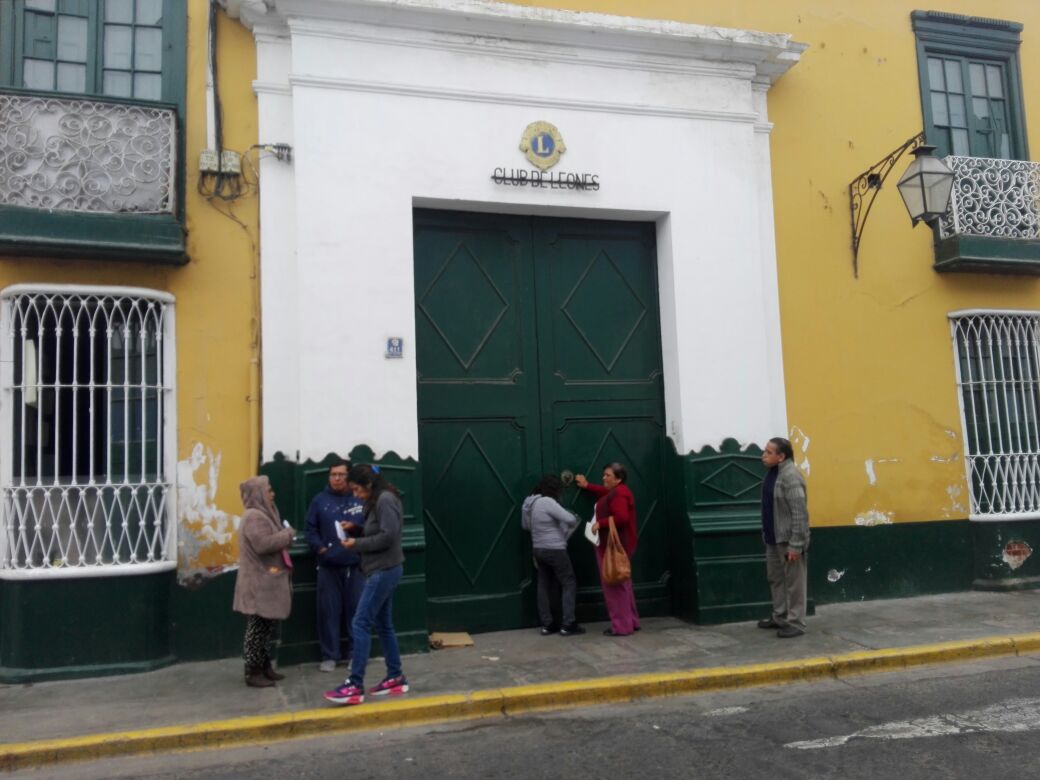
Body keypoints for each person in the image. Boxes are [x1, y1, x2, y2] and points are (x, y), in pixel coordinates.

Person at [324, 464, 409, 706]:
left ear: (369, 485)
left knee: (360, 623)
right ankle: (395, 676)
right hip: (382, 569)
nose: (355, 495)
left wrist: (356, 544)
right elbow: (380, 531)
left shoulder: (385, 500)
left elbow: (388, 536)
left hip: (384, 570)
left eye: (357, 489)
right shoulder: (379, 499)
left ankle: (354, 685)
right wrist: (358, 529)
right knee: (383, 625)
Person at [232, 475, 295, 688]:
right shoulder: (254, 517)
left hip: (267, 581)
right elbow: (262, 544)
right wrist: (287, 535)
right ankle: (252, 670)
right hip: (259, 583)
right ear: (259, 493)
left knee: (266, 626)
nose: (272, 493)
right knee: (257, 626)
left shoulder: (264, 513)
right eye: (268, 490)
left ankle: (265, 665)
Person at [305, 459, 367, 672]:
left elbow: (370, 526)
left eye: (341, 474)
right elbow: (310, 528)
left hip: (356, 566)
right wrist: (320, 548)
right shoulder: (319, 501)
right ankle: (329, 655)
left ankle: (354, 654)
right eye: (333, 474)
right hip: (328, 566)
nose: (337, 478)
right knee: (328, 613)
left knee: (356, 612)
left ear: (349, 477)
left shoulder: (358, 499)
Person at [575, 462, 640, 636]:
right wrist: (588, 486)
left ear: (618, 479)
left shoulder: (618, 493)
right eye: (604, 474)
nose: (604, 477)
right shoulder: (618, 491)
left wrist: (599, 524)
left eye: (608, 475)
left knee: (613, 584)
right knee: (623, 583)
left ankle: (621, 626)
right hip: (621, 545)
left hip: (612, 546)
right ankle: (631, 621)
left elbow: (621, 517)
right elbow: (606, 494)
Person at [757, 437, 810, 638]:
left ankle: (796, 622)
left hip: (789, 541)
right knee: (776, 579)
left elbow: (799, 513)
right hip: (773, 538)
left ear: (781, 456)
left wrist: (796, 545)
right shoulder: (772, 474)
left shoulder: (791, 477)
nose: (764, 455)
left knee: (794, 583)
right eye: (765, 451)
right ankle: (779, 616)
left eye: (769, 452)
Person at [522, 474, 585, 637]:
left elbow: (525, 525)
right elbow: (570, 519)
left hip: (538, 548)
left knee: (543, 585)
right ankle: (568, 623)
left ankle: (547, 624)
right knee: (569, 581)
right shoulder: (547, 502)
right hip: (555, 548)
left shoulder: (531, 503)